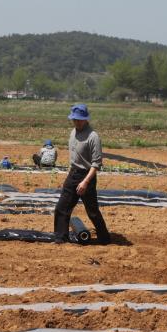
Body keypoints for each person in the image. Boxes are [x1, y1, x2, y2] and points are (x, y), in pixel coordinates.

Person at [53, 104, 111, 244]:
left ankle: (104, 238)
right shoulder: (73, 132)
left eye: (79, 120)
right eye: (74, 120)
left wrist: (85, 182)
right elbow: (74, 158)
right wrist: (69, 175)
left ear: (86, 119)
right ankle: (61, 239)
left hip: (87, 176)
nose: (76, 122)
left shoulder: (93, 137)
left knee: (92, 212)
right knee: (61, 208)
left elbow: (96, 164)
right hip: (73, 174)